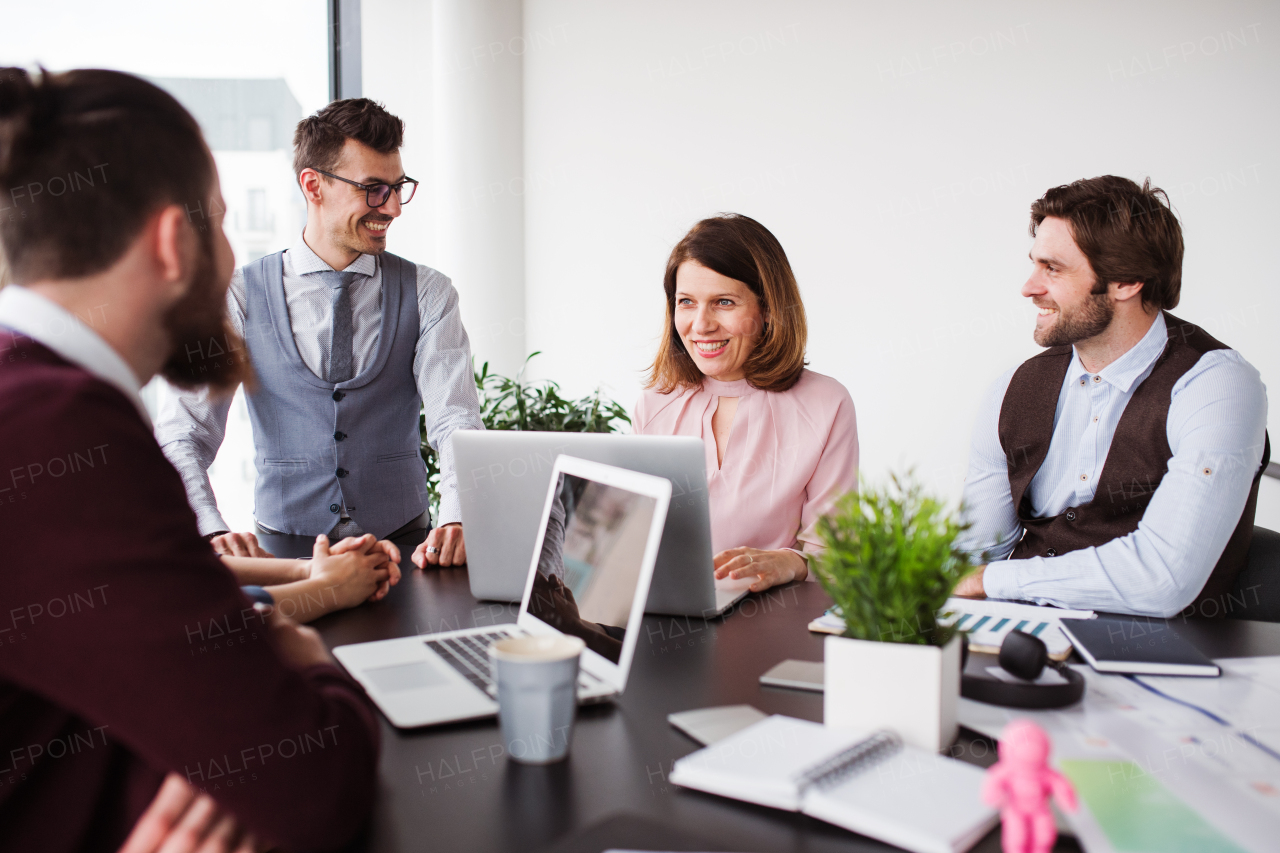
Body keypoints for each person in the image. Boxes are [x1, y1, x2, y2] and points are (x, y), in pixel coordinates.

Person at [0, 68, 380, 852]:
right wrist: (310, 661)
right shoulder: (64, 430)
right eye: (221, 221)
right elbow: (315, 783)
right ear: (176, 242)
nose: (234, 255)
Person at [154, 97, 483, 569]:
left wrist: (457, 516)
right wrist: (210, 528)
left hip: (408, 547)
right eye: (372, 189)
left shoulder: (429, 292)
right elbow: (184, 432)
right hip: (285, 553)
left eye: (398, 187)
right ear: (313, 185)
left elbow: (455, 419)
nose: (391, 207)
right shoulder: (239, 294)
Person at [953, 176, 1269, 617]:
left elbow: (1162, 578)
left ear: (1127, 281)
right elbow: (969, 559)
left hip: (1161, 659)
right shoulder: (1015, 388)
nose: (1029, 287)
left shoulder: (1215, 384)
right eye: (1035, 264)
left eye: (1054, 268)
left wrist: (992, 581)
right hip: (1022, 639)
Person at [634, 214, 858, 592]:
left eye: (723, 302)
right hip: (670, 615)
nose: (701, 325)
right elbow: (636, 543)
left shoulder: (826, 404)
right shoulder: (653, 404)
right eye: (686, 302)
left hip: (774, 616)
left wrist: (790, 562)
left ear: (767, 310)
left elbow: (835, 557)